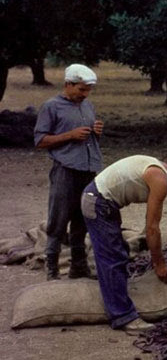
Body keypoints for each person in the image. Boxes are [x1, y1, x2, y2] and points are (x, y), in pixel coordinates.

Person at [80, 155, 167, 333]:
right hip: (98, 203)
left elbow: (150, 225)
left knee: (118, 252)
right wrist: (159, 263)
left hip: (102, 201)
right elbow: (152, 228)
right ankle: (122, 317)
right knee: (112, 258)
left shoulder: (164, 170)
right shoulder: (159, 179)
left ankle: (114, 292)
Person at [34, 64, 103, 280]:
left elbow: (88, 139)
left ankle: (79, 267)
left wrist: (97, 132)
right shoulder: (51, 107)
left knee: (83, 219)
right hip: (65, 170)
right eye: (81, 89)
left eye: (88, 90)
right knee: (58, 219)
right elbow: (40, 140)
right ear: (68, 84)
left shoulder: (88, 106)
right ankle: (52, 269)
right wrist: (69, 135)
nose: (85, 94)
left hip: (88, 169)